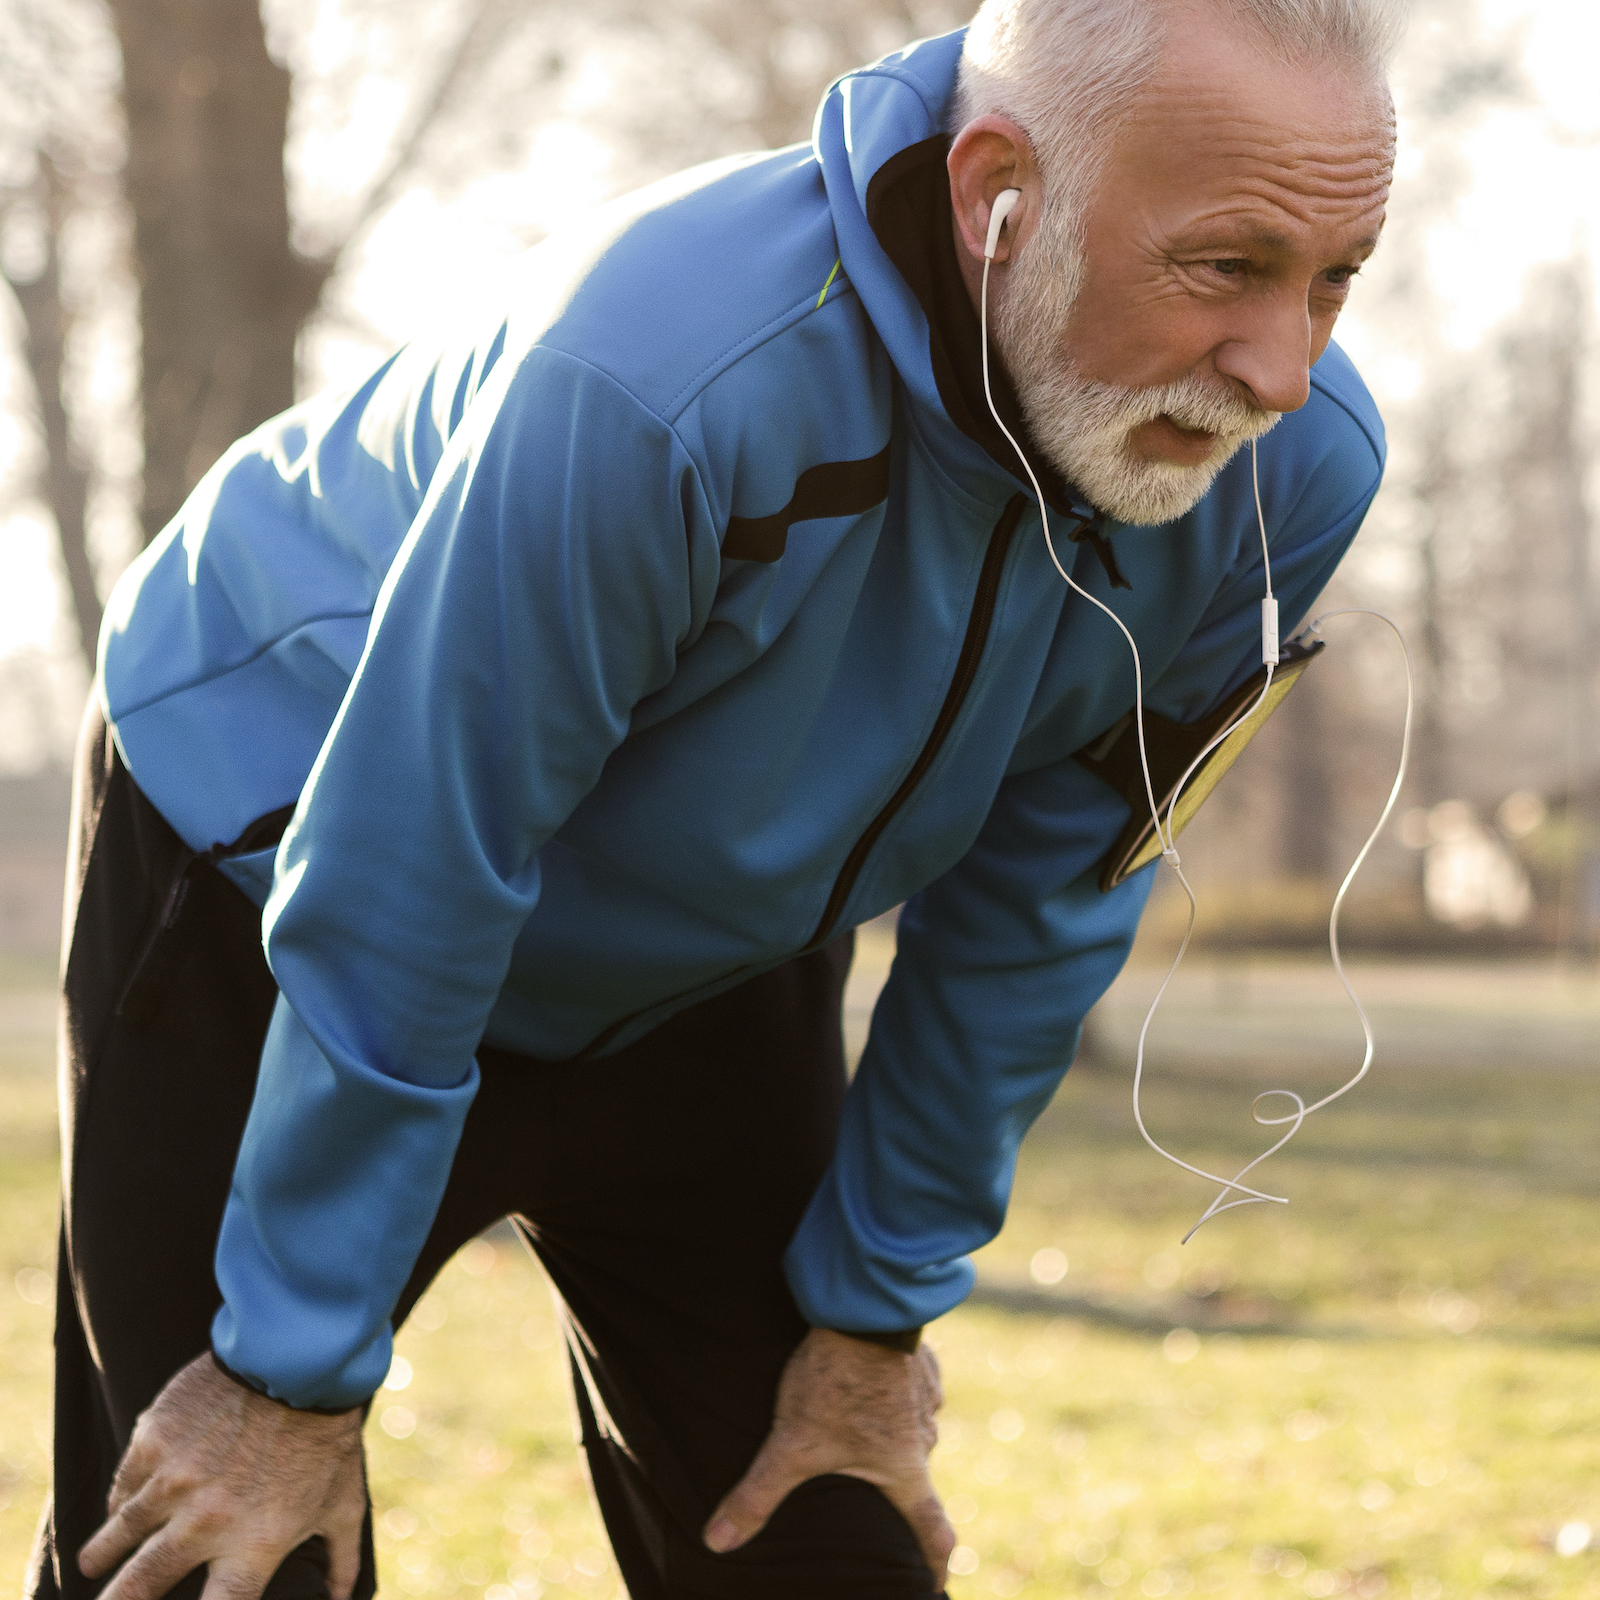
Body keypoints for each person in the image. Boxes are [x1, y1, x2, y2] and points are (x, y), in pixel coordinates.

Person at [30, 0, 1403, 1596]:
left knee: (823, 1539)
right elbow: (418, 862)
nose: (1283, 370)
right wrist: (284, 1370)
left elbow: (1042, 902)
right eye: (1225, 267)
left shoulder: (1286, 475)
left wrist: (875, 1307)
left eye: (1336, 277)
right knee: (212, 1559)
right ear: (994, 193)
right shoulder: (663, 378)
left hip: (705, 971)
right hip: (284, 890)